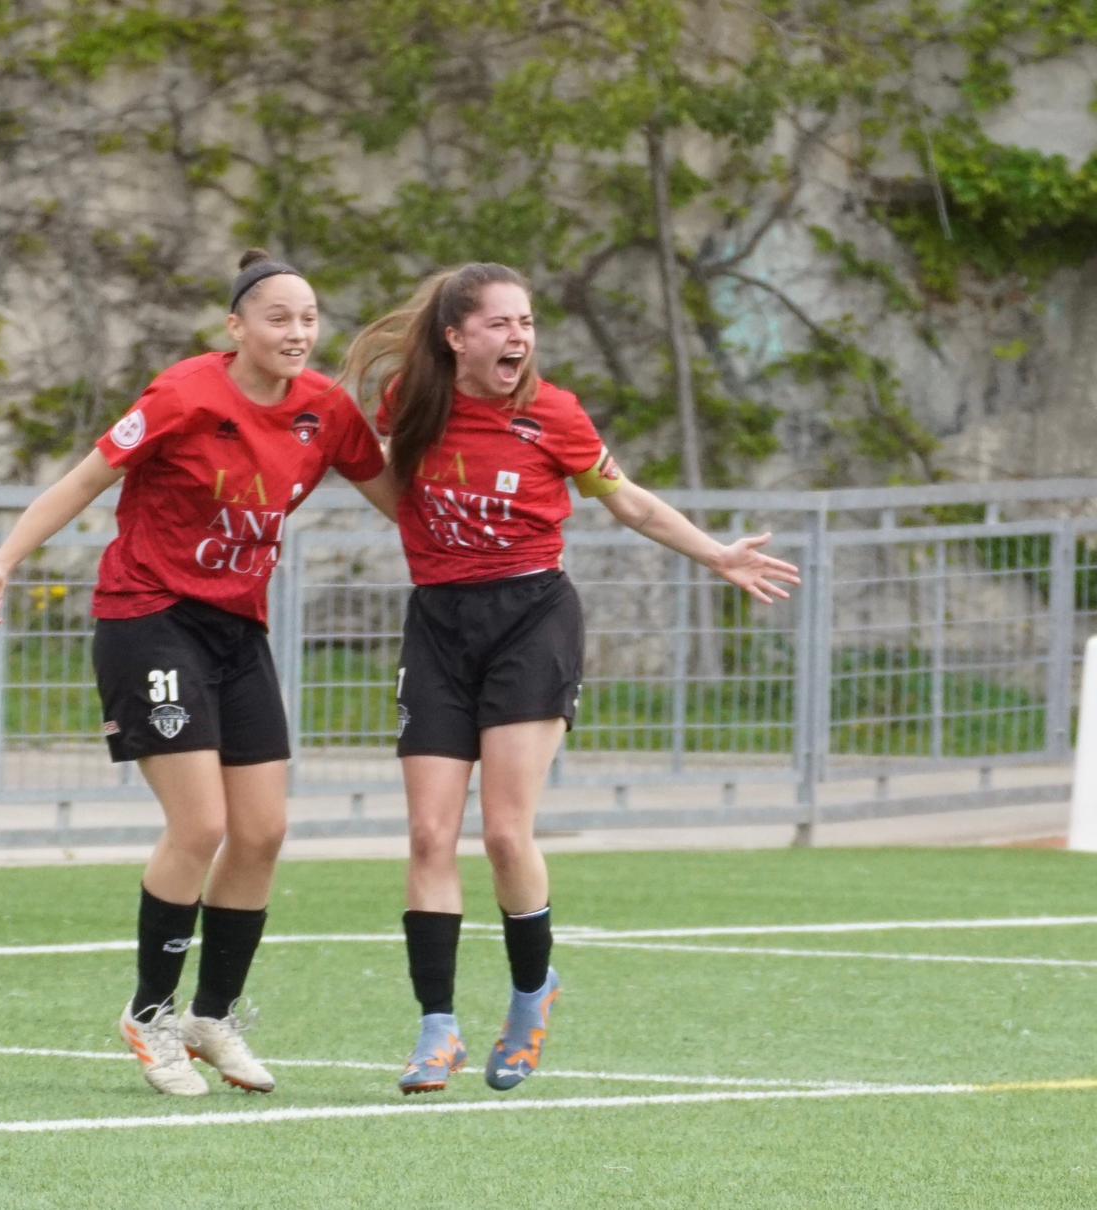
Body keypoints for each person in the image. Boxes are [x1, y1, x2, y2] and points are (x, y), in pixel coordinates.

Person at [340, 262, 800, 1095]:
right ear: (456, 336)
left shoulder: (553, 414)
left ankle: (529, 997)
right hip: (439, 623)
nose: (519, 338)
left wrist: (717, 554)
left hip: (531, 621)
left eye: (527, 323)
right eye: (499, 324)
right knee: (425, 835)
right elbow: (397, 486)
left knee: (506, 834)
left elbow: (630, 503)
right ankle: (436, 1027)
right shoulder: (410, 400)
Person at [0, 250, 397, 1097]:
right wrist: (3, 561)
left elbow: (400, 498)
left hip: (238, 632)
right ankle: (149, 1013)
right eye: (278, 317)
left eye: (309, 317)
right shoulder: (185, 395)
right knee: (198, 826)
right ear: (236, 327)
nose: (298, 332)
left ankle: (212, 1016)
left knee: (264, 831)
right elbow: (85, 479)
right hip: (148, 619)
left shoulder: (326, 411)